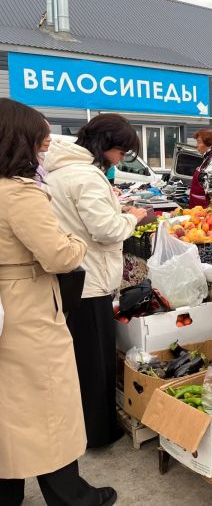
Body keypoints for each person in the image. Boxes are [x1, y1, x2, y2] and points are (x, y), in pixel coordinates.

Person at [0, 99, 117, 505]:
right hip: (28, 304)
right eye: (39, 142)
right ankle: (73, 497)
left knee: (9, 409)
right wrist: (75, 239)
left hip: (7, 304)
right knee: (49, 405)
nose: (43, 150)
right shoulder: (19, 194)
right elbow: (60, 255)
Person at [44, 114, 147, 449]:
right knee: (95, 362)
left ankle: (85, 426)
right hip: (90, 281)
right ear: (107, 145)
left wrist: (114, 205)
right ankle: (98, 432)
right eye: (122, 151)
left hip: (72, 277)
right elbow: (105, 230)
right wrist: (132, 216)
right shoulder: (86, 176)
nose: (121, 159)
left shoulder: (59, 170)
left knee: (80, 360)